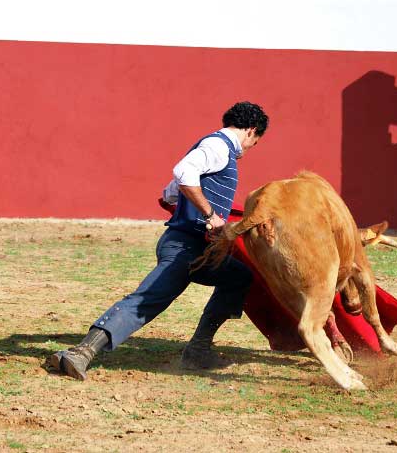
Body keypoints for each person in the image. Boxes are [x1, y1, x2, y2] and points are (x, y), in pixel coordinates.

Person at [49, 101, 269, 380]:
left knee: (238, 276)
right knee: (148, 299)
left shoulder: (212, 147)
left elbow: (170, 194)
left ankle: (198, 350)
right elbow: (184, 173)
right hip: (185, 247)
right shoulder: (219, 147)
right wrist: (210, 213)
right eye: (255, 142)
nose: (250, 149)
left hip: (197, 248)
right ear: (251, 131)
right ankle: (80, 353)